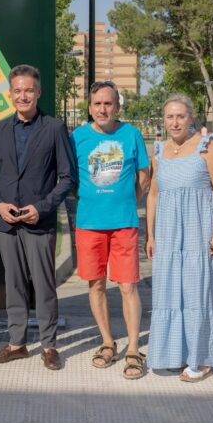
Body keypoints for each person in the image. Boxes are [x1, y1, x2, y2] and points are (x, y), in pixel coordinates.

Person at [0, 64, 76, 371]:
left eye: (29, 90)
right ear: (10, 94)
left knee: (44, 286)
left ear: (38, 92)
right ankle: (17, 344)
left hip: (39, 222)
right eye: (18, 91)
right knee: (14, 283)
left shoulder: (54, 128)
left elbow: (67, 178)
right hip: (8, 223)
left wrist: (42, 208)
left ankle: (49, 345)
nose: (23, 96)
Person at [145, 95, 213, 382]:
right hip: (167, 235)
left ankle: (200, 358)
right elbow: (153, 195)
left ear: (191, 118)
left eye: (180, 116)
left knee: (197, 292)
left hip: (198, 232)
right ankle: (173, 353)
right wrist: (151, 235)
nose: (175, 122)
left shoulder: (207, 145)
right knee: (169, 291)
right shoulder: (159, 151)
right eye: (169, 117)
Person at [71, 80, 150, 379]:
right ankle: (107, 342)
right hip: (89, 224)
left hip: (123, 224)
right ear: (90, 107)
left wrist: (129, 200)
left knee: (128, 286)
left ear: (117, 106)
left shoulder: (131, 134)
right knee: (96, 285)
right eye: (97, 104)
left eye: (108, 103)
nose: (102, 109)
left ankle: (134, 349)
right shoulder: (77, 137)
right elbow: (71, 178)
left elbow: (144, 174)